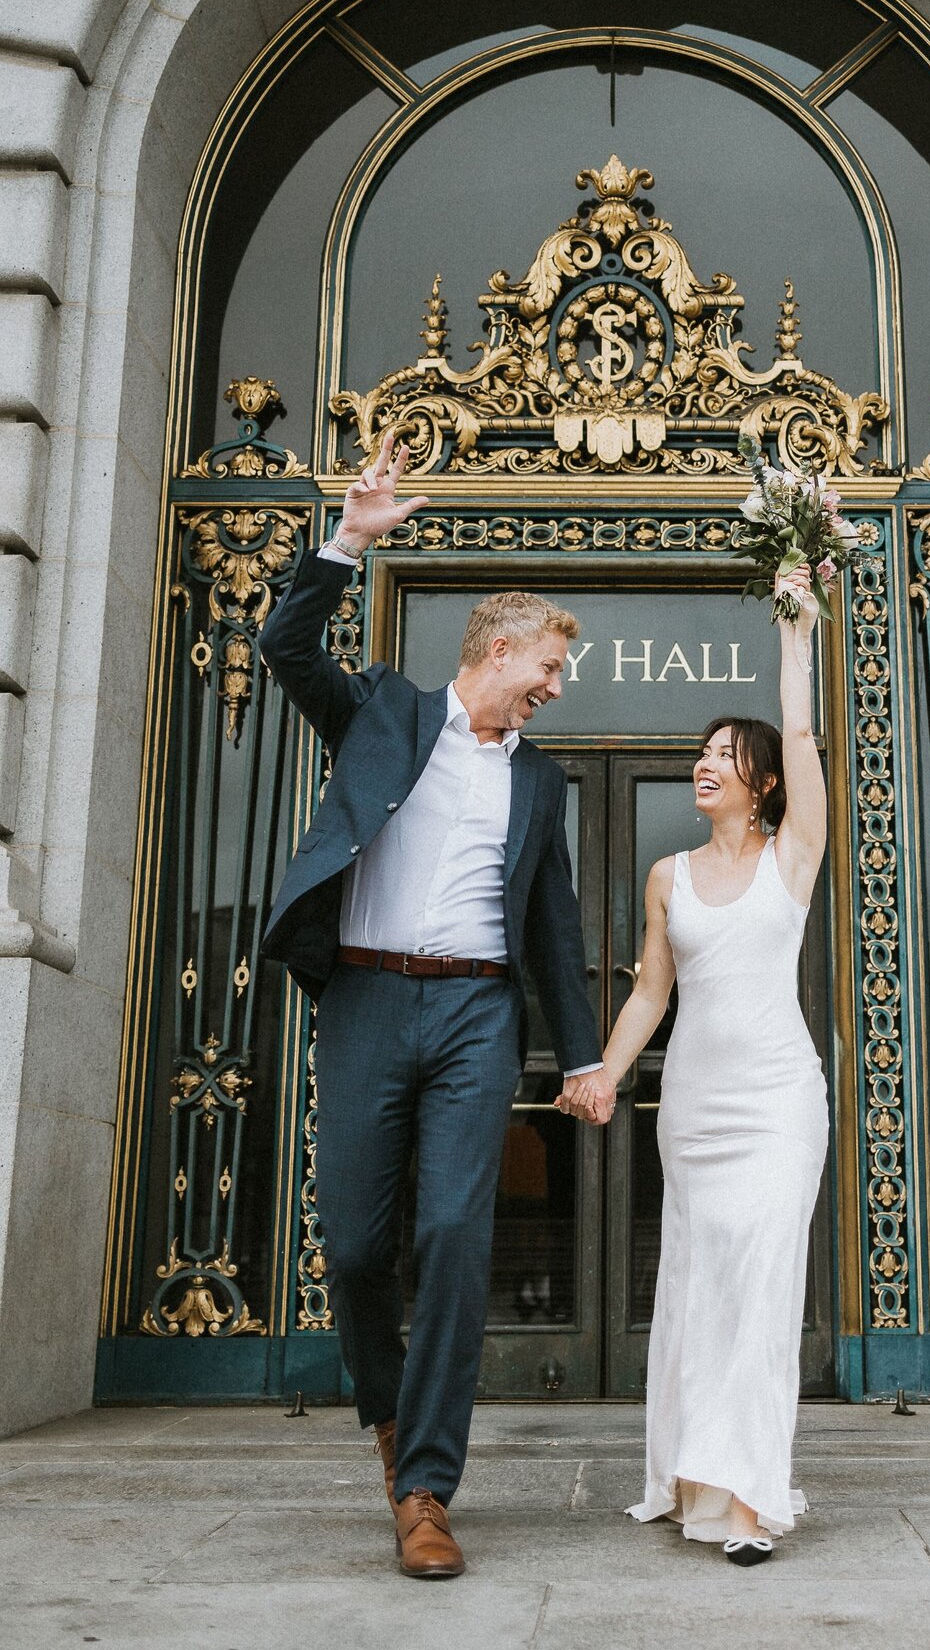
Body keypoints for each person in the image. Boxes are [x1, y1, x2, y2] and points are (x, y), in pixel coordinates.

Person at [260, 433, 603, 1578]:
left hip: (475, 1016)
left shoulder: (540, 781)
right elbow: (286, 644)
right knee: (357, 1247)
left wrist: (586, 1057)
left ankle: (427, 1490)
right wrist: (348, 540)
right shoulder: (386, 714)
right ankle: (389, 1420)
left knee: (456, 1235)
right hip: (364, 997)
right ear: (501, 650)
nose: (558, 688)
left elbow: (552, 924)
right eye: (550, 666)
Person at [561, 566, 828, 1565]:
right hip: (698, 1112)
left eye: (724, 755)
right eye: (701, 753)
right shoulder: (669, 875)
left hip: (778, 1106)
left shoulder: (793, 857)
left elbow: (801, 740)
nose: (703, 764)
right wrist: (605, 1072)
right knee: (703, 1294)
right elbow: (650, 993)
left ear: (758, 782)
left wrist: (795, 636)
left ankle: (752, 1502)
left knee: (762, 1295)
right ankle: (699, 1483)